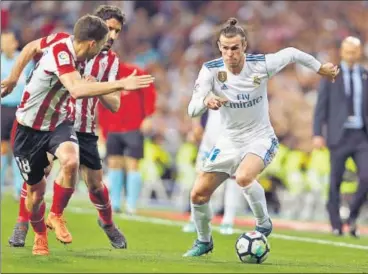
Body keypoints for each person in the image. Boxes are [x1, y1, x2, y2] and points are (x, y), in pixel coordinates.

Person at [183, 17, 339, 257]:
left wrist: (319, 68)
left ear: (244, 46)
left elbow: (292, 52)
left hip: (260, 137)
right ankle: (204, 241)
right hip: (229, 141)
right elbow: (192, 108)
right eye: (225, 48)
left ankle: (263, 222)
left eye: (235, 48)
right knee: (198, 194)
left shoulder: (260, 65)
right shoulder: (211, 70)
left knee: (244, 177)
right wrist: (206, 101)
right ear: (219, 47)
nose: (229, 53)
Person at [1, 14, 154, 256]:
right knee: (36, 189)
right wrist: (12, 78)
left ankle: (73, 217)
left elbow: (112, 104)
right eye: (109, 31)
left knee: (78, 169)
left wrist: (106, 86)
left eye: (117, 31)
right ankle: (32, 228)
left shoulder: (108, 60)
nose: (112, 38)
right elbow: (70, 83)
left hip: (66, 122)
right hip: (31, 126)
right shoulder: (62, 47)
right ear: (94, 37)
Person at [313, 36, 368, 238]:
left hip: (361, 135)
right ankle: (336, 224)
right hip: (339, 134)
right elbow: (321, 107)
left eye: (354, 51)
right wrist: (318, 133)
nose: (351, 55)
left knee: (366, 177)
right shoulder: (331, 74)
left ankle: (351, 216)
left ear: (359, 52)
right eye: (347, 51)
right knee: (335, 181)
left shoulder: (365, 74)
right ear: (342, 52)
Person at [99, 62, 156, 215]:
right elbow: (101, 105)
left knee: (132, 164)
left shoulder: (134, 71)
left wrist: (148, 116)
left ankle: (131, 205)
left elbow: (149, 90)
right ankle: (115, 204)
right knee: (114, 163)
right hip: (113, 127)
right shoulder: (103, 78)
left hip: (134, 125)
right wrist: (103, 130)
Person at [181, 109, 243, 235]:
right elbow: (199, 101)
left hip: (232, 137)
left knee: (232, 178)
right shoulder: (210, 88)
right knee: (201, 177)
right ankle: (195, 219)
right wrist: (196, 125)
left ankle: (228, 221)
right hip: (210, 138)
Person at [1, 31, 34, 199]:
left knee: (19, 149)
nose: (5, 45)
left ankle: (18, 189)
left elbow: (32, 85)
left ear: (15, 43)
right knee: (1, 148)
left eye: (8, 41)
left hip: (21, 109)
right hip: (2, 108)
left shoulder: (25, 61)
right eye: (2, 42)